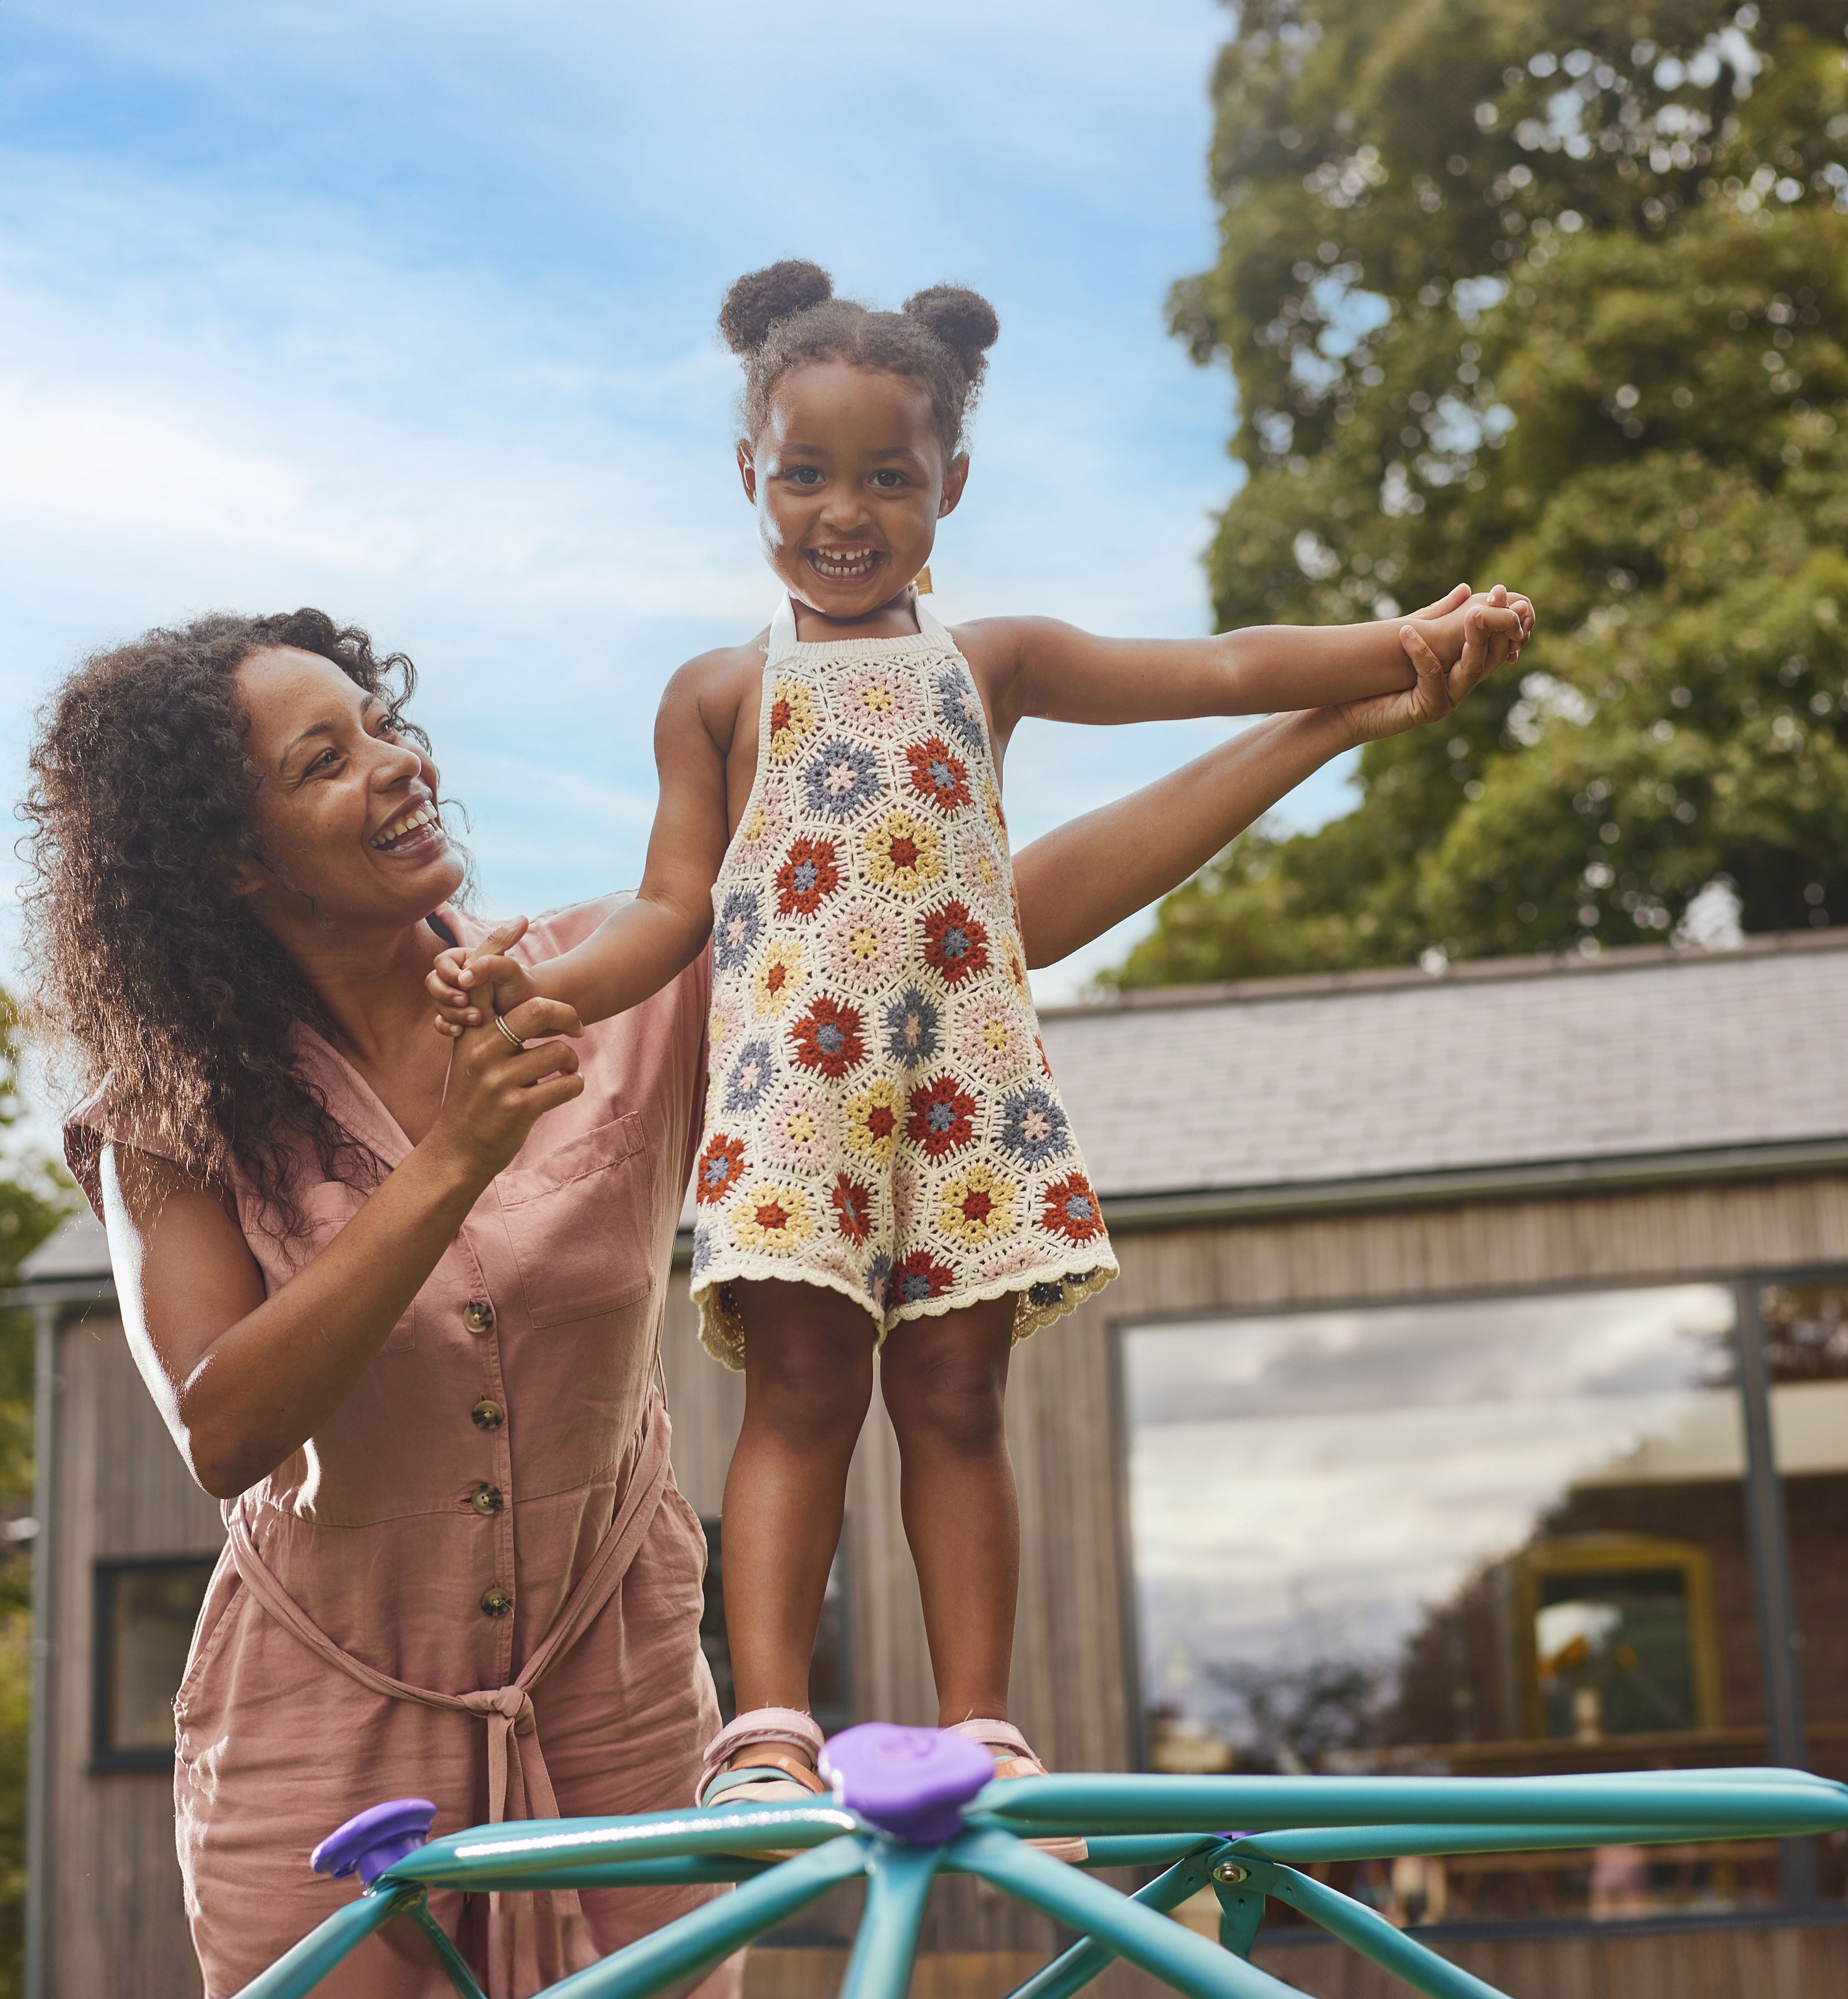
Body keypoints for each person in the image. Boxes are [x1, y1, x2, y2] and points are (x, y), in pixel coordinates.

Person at [22, 594, 1506, 1995]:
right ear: (230, 861)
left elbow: (983, 921)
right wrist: (457, 1157)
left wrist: (1318, 724)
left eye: (380, 722)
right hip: (324, 1730)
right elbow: (221, 1424)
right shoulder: (171, 1114)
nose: (398, 765)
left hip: (617, 1693)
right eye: (323, 759)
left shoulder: (608, 979)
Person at [426, 259, 1537, 1819]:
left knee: (957, 1398)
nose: (843, 509)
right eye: (804, 472)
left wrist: (1400, 640)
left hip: (963, 1102)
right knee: (799, 1395)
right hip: (793, 1107)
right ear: (749, 474)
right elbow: (672, 913)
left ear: (952, 481)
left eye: (889, 475)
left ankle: (979, 1721)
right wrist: (543, 994)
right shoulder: (715, 694)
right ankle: (770, 1728)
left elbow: (1216, 668)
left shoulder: (988, 663)